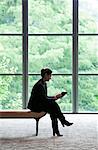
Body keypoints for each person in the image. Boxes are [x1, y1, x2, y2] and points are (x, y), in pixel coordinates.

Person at [27, 68, 73, 136]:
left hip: (40, 104)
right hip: (35, 106)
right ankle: (62, 122)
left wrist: (55, 97)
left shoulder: (43, 83)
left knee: (53, 110)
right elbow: (43, 99)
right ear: (45, 75)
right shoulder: (39, 85)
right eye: (50, 75)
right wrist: (54, 98)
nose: (50, 77)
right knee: (53, 105)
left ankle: (57, 129)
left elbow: (44, 97)